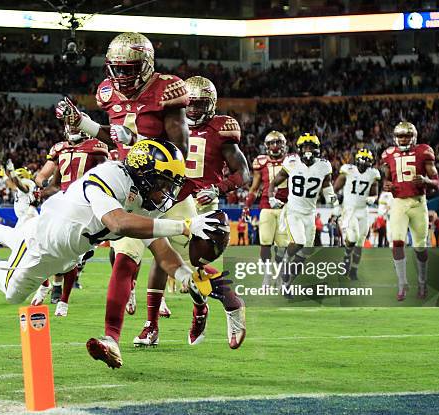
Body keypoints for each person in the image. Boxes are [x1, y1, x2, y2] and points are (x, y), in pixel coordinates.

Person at [0, 140, 233, 369]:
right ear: (144, 174)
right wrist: (185, 226)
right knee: (14, 291)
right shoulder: (110, 176)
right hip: (44, 244)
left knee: (21, 236)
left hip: (70, 250)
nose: (165, 193)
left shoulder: (141, 197)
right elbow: (117, 222)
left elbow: (162, 249)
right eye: (162, 183)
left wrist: (187, 278)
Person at [56, 32, 191, 351]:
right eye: (116, 68)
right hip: (130, 187)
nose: (121, 75)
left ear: (146, 66)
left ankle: (216, 303)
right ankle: (113, 337)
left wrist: (135, 141)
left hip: (163, 187)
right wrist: (85, 123)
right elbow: (112, 135)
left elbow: (179, 151)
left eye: (128, 68)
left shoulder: (166, 90)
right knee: (127, 258)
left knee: (196, 255)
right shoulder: (107, 92)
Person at [132, 76, 248, 348]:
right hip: (172, 199)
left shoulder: (221, 129)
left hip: (203, 207)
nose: (194, 110)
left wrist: (219, 189)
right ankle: (151, 325)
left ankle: (209, 307)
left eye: (200, 105)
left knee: (193, 267)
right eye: (191, 104)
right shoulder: (170, 122)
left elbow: (242, 172)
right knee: (159, 257)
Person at [31, 125, 109, 316]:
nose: (73, 128)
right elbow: (44, 178)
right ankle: (51, 287)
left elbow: (107, 173)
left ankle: (60, 293)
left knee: (75, 252)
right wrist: (41, 189)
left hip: (86, 205)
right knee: (45, 245)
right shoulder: (60, 149)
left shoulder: (96, 146)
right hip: (63, 203)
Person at [268, 134, 336, 296]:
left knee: (305, 252)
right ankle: (284, 263)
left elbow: (327, 187)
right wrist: (271, 197)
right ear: (299, 149)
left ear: (317, 149)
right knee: (298, 242)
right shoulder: (291, 162)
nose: (308, 150)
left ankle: (287, 285)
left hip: (310, 214)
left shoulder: (324, 166)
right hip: (293, 211)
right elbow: (274, 182)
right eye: (305, 147)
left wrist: (334, 203)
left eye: (311, 147)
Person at [381, 121, 439, 301]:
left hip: (418, 203)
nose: (404, 139)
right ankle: (402, 284)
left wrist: (426, 181)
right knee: (397, 243)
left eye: (407, 135)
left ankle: (422, 283)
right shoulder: (388, 154)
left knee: (420, 246)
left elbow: (437, 183)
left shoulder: (423, 151)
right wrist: (387, 186)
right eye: (400, 136)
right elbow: (386, 182)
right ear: (395, 138)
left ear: (413, 136)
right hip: (398, 203)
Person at [246, 131, 290, 287]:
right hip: (266, 206)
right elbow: (254, 188)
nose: (275, 146)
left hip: (286, 207)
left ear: (284, 145)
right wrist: (247, 205)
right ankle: (267, 275)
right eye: (272, 143)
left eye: (278, 142)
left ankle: (279, 275)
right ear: (267, 146)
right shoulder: (261, 162)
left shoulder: (292, 161)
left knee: (283, 246)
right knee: (265, 243)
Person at [333, 149, 380, 280]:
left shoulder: (372, 174)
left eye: (367, 161)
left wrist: (373, 198)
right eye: (363, 160)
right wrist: (337, 204)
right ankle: (346, 259)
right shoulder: (348, 170)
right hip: (349, 210)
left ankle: (354, 270)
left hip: (363, 210)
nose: (365, 163)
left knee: (360, 242)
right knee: (353, 238)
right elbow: (334, 189)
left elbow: (374, 193)